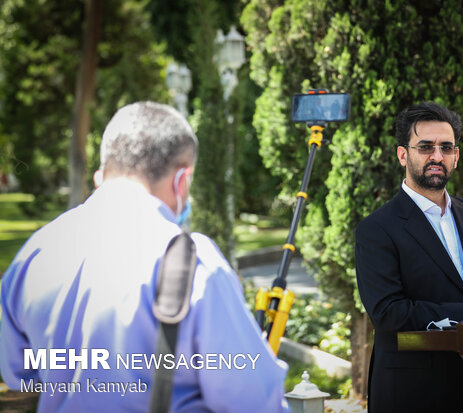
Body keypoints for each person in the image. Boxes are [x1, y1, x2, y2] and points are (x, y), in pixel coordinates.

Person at [0, 102, 288, 412]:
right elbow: (253, 401)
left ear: (102, 175)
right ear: (182, 181)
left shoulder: (36, 253)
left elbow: (18, 374)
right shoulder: (194, 263)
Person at [355, 101, 463, 412]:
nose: (437, 156)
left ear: (456, 156)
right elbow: (388, 313)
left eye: (446, 147)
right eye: (425, 147)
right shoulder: (376, 229)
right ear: (403, 154)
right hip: (415, 393)